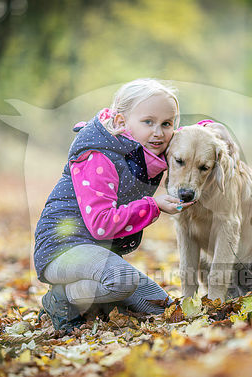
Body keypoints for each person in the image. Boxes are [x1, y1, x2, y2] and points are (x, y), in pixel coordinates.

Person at [34, 78, 194, 332]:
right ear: (121, 121)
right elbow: (100, 225)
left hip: (97, 252)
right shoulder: (100, 156)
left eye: (167, 123)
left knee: (162, 308)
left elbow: (188, 137)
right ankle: (62, 299)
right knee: (122, 280)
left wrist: (211, 131)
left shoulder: (143, 148)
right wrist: (153, 204)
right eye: (148, 122)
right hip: (62, 248)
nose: (159, 132)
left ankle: (98, 303)